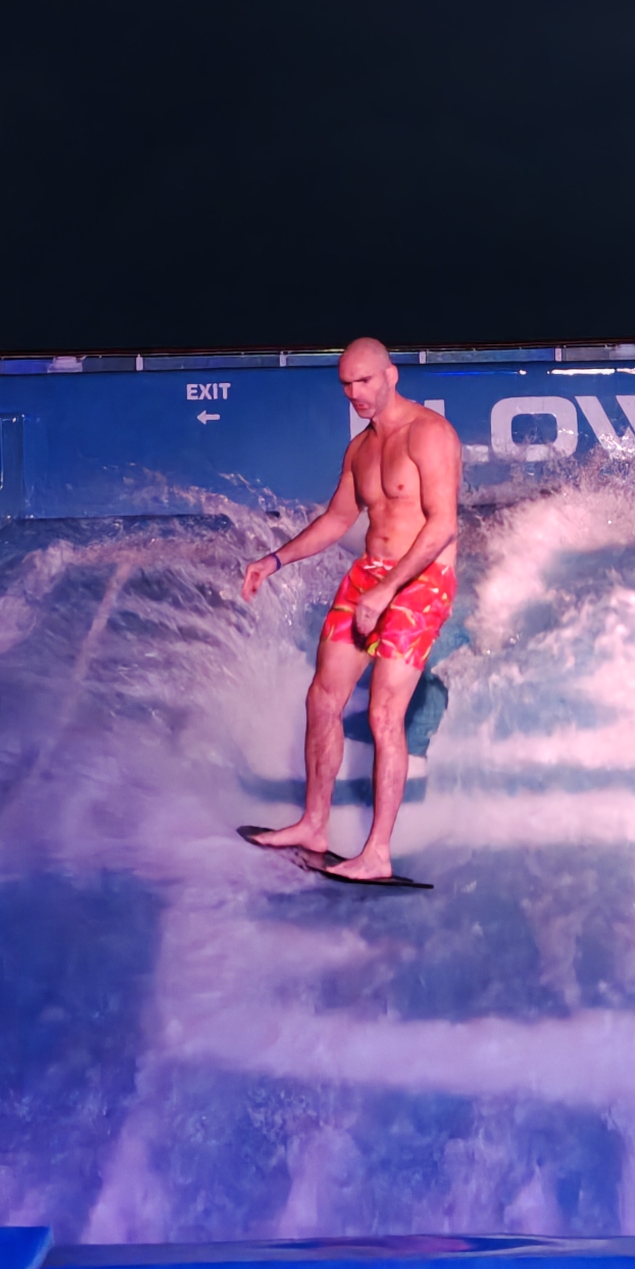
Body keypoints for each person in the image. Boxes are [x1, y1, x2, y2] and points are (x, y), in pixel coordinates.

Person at [241, 337, 462, 886]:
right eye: (346, 384)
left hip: (421, 580)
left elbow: (442, 527)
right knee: (322, 698)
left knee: (386, 715)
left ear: (391, 375)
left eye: (364, 381)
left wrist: (387, 591)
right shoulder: (361, 449)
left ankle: (377, 854)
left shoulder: (429, 435)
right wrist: (275, 560)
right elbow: (339, 520)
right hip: (369, 575)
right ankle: (313, 826)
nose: (355, 393)